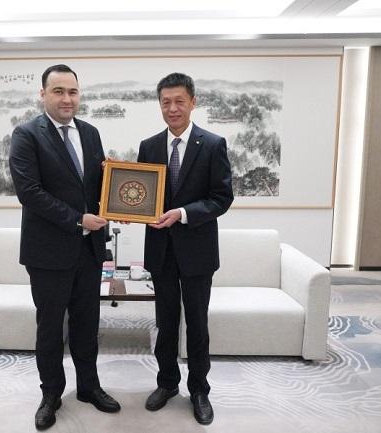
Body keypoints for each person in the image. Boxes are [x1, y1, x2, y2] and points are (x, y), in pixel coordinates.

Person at [9, 64, 121, 431]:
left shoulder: (90, 133)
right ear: (43, 94)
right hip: (48, 253)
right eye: (58, 91)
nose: (67, 99)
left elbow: (97, 186)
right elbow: (30, 192)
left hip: (89, 251)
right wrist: (78, 219)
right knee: (50, 328)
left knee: (88, 324)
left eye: (72, 92)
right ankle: (51, 395)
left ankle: (88, 387)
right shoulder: (27, 135)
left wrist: (118, 194)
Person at [137, 72, 234, 425]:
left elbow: (221, 198)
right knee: (165, 323)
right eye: (166, 102)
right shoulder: (148, 146)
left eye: (179, 101)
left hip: (197, 251)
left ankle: (199, 390)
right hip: (161, 251)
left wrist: (182, 213)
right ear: (159, 105)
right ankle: (167, 383)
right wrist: (127, 205)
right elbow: (141, 193)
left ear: (193, 102)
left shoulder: (213, 144)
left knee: (197, 324)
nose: (172, 108)